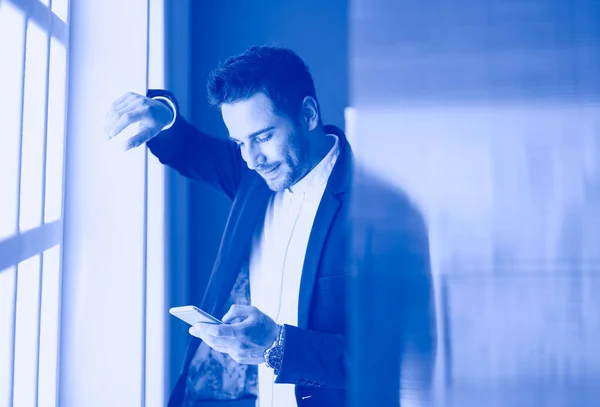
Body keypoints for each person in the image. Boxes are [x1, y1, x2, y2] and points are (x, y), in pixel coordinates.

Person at [105, 45, 436, 407]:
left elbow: (390, 359)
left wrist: (278, 346)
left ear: (308, 114)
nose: (251, 158)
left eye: (263, 137)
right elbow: (188, 147)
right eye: (239, 143)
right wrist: (162, 113)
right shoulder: (253, 175)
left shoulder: (382, 211)